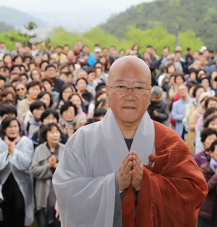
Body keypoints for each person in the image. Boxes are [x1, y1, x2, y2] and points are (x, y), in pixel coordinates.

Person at [52, 56, 208, 226]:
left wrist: (147, 183)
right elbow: (65, 191)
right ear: (107, 91)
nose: (130, 95)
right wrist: (115, 184)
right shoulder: (82, 141)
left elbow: (193, 194)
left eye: (139, 87)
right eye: (121, 86)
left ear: (149, 94)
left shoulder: (169, 142)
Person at [0, 116, 34, 226]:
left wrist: (14, 152)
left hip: (22, 185)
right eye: (9, 126)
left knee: (20, 213)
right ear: (4, 129)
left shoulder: (26, 142)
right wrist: (7, 153)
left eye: (15, 126)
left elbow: (27, 164)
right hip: (4, 184)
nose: (13, 129)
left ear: (19, 128)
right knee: (6, 213)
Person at [32, 123, 64, 227]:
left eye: (57, 132)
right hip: (43, 192)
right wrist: (48, 166)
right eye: (52, 132)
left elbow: (71, 171)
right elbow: (34, 170)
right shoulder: (39, 150)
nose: (55, 135)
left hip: (61, 195)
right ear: (45, 135)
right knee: (43, 222)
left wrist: (56, 166)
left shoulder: (65, 148)